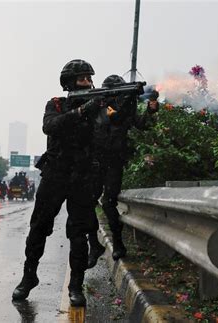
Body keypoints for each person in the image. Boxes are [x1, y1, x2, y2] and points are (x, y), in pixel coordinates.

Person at [12, 59, 103, 307]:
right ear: (68, 82)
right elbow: (49, 126)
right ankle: (29, 277)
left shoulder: (97, 107)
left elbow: (110, 130)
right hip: (55, 175)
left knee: (78, 233)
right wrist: (81, 111)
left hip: (82, 177)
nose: (87, 82)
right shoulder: (56, 104)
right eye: (81, 78)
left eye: (89, 78)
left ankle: (76, 285)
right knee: (39, 228)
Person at [86, 75, 158, 268]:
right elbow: (111, 117)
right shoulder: (99, 106)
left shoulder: (126, 108)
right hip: (96, 161)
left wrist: (151, 109)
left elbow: (142, 124)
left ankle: (118, 242)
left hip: (114, 161)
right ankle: (94, 244)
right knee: (88, 203)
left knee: (109, 202)